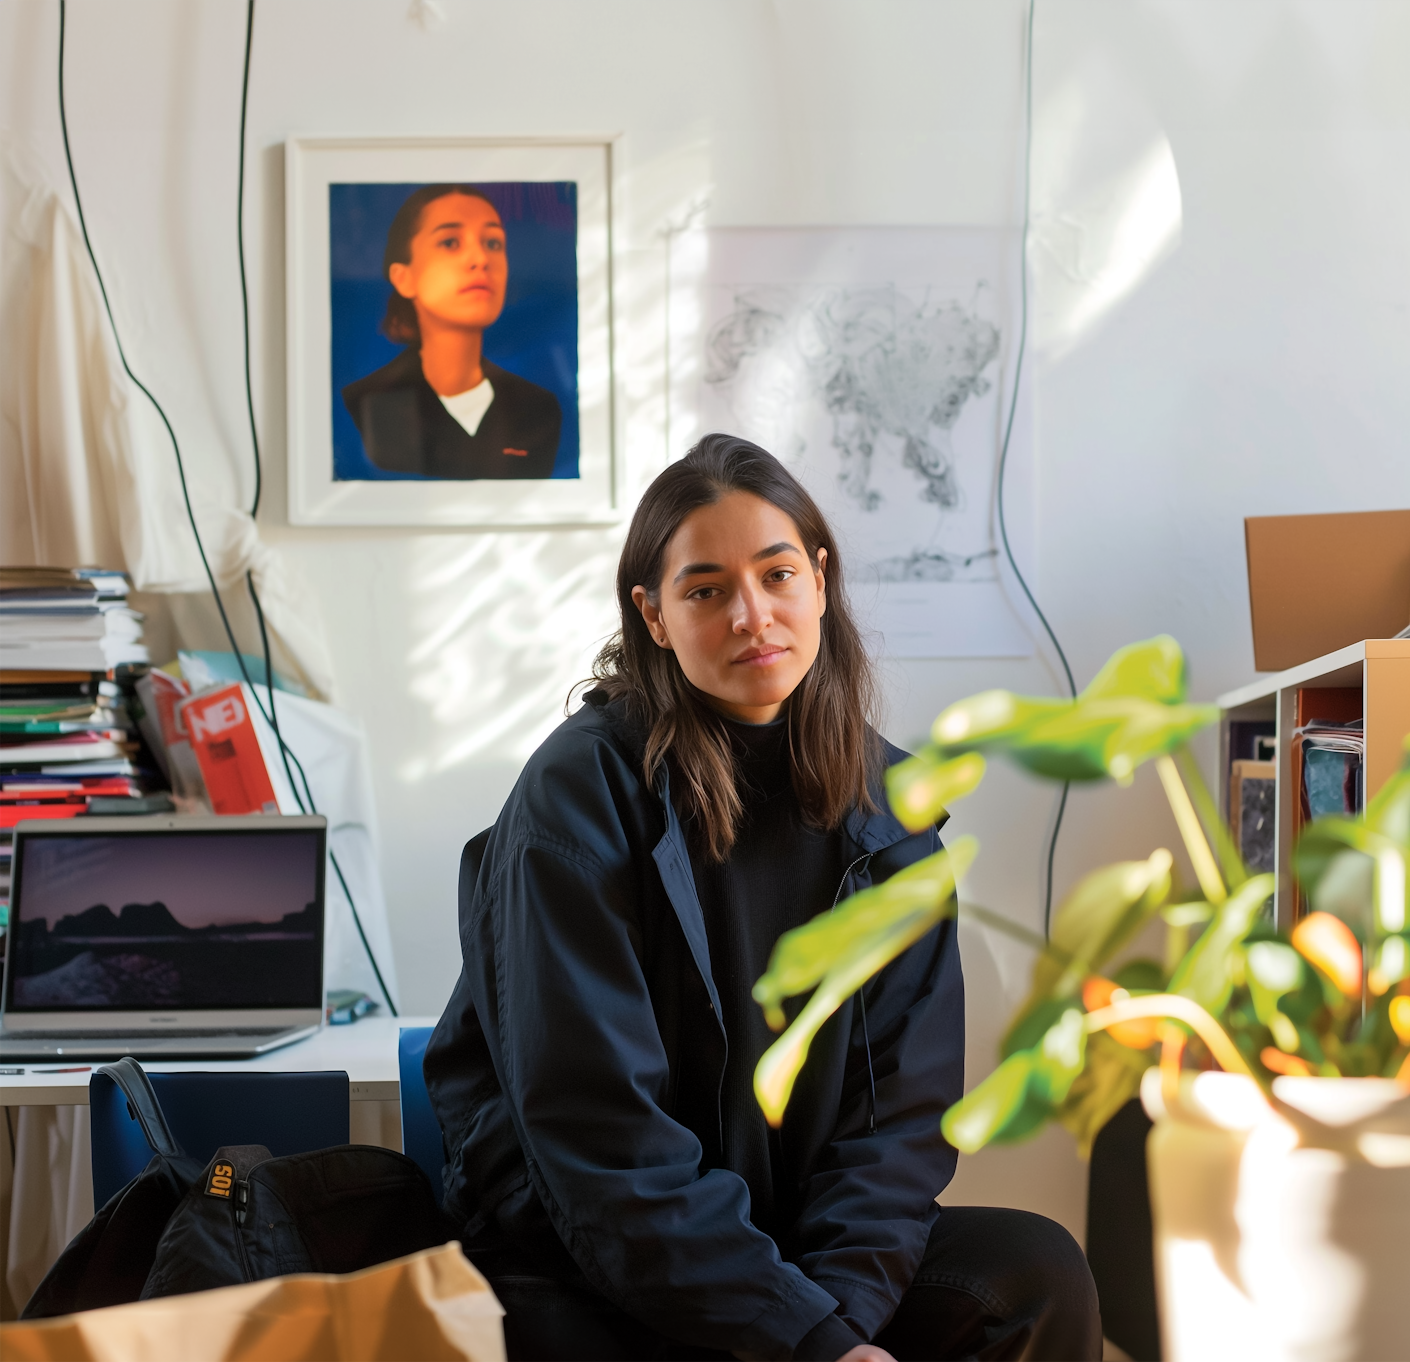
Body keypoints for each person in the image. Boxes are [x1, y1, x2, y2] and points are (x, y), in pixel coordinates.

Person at [423, 434, 1101, 1361]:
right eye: (705, 590)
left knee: (1031, 1272)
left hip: (796, 1243)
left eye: (777, 574)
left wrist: (834, 1321)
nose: (753, 615)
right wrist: (802, 1340)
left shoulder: (888, 811)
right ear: (653, 615)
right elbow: (597, 1141)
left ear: (819, 580)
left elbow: (898, 1123)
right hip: (591, 1252)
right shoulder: (575, 797)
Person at [340, 183, 561, 480]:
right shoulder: (368, 403)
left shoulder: (538, 408)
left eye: (493, 243)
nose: (480, 259)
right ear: (403, 277)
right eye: (450, 242)